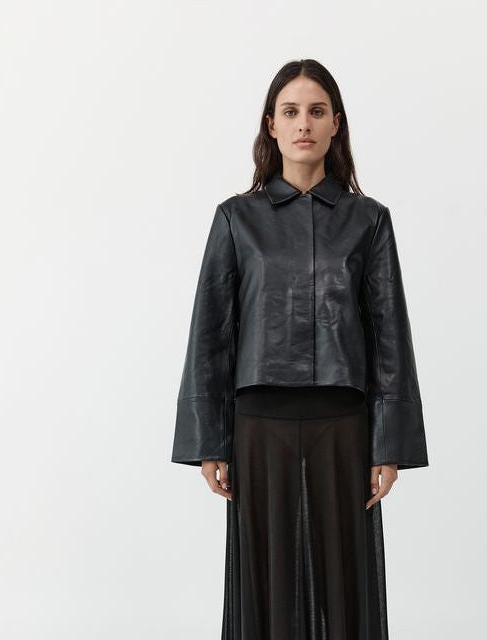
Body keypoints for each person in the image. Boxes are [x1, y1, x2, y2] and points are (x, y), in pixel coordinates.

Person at [171, 58, 429, 639]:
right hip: (258, 424)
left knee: (346, 582)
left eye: (316, 111)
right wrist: (208, 439)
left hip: (344, 424)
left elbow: (389, 334)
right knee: (265, 584)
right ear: (271, 125)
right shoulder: (236, 218)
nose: (303, 124)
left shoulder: (369, 220)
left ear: (337, 123)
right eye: (290, 112)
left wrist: (388, 444)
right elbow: (211, 331)